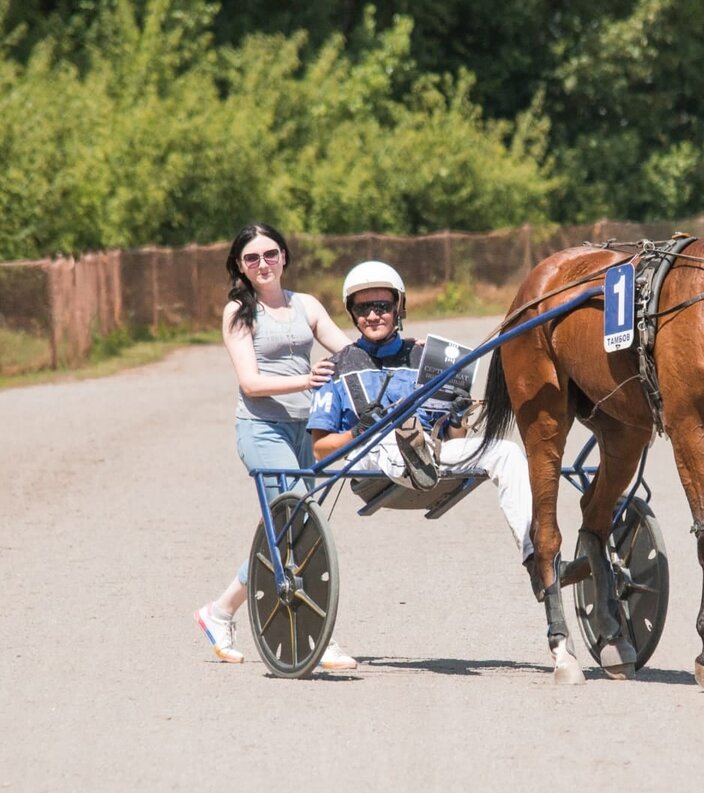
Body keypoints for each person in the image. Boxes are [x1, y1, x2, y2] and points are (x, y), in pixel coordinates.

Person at [194, 222, 359, 669]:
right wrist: (307, 379)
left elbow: (349, 353)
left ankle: (219, 611)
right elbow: (250, 382)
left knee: (288, 528)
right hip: (262, 428)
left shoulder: (306, 305)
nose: (262, 264)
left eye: (270, 254)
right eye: (252, 258)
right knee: (298, 521)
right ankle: (319, 638)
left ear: (284, 256)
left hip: (307, 429)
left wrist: (397, 351)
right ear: (240, 266)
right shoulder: (238, 312)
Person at [307, 260, 534, 566]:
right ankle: (411, 452)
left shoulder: (426, 358)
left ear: (398, 307)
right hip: (370, 455)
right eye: (363, 309)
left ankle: (534, 551)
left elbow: (453, 438)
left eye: (381, 306)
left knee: (505, 451)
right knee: (389, 437)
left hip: (430, 453)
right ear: (352, 313)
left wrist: (457, 418)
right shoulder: (334, 369)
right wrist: (357, 432)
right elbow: (320, 450)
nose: (372, 316)